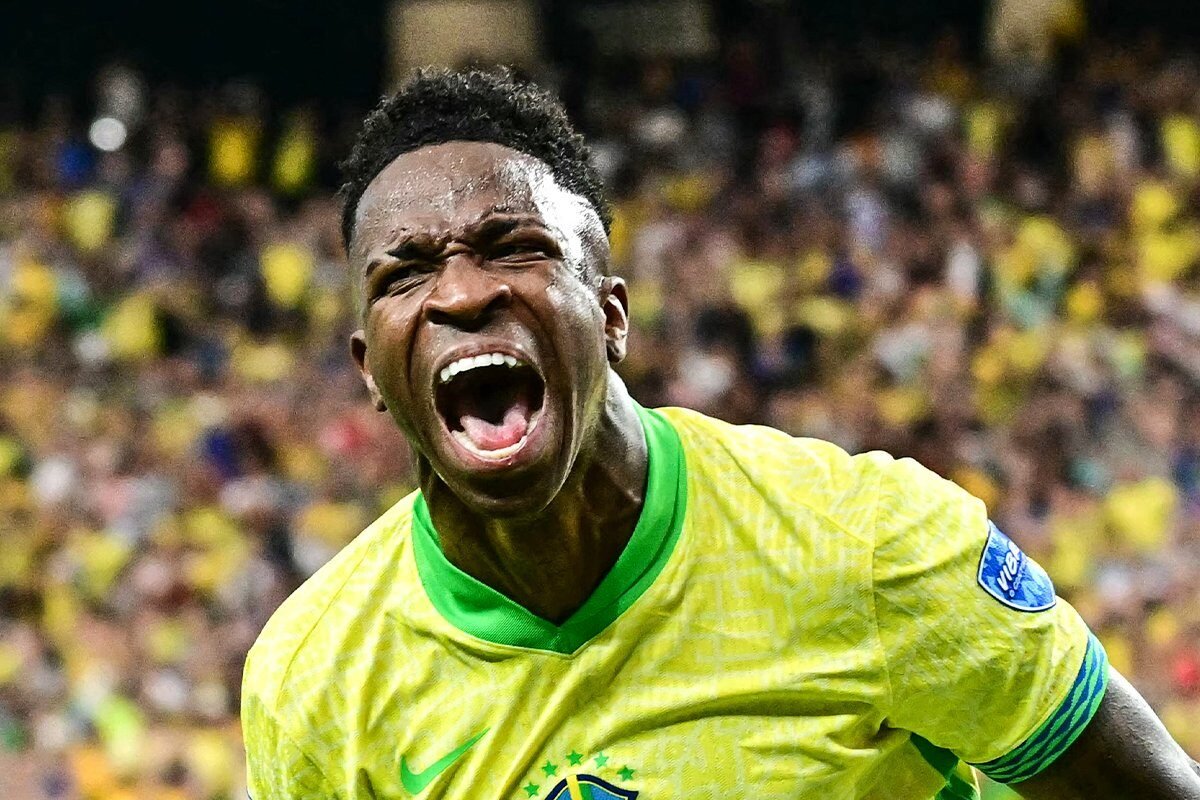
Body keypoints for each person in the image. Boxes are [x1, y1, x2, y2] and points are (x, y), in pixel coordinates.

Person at [240, 68, 1200, 800]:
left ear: (611, 316)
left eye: (514, 247)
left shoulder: (868, 542)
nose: (460, 292)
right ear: (370, 370)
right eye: (405, 272)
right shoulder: (314, 681)